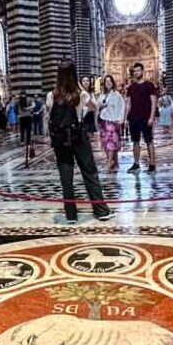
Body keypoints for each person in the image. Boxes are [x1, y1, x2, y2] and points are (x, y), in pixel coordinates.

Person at [47, 60, 114, 224]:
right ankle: (101, 210)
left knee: (66, 176)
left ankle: (71, 215)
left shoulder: (51, 95)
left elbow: (50, 116)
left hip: (60, 140)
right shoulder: (81, 94)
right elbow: (94, 107)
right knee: (89, 172)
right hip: (78, 137)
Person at [125, 62, 158, 172]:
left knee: (149, 141)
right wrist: (125, 118)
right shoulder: (131, 87)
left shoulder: (149, 85)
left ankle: (152, 164)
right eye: (134, 71)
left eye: (138, 70)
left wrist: (152, 117)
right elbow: (128, 104)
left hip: (145, 117)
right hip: (134, 118)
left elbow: (153, 102)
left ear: (142, 71)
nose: (136, 72)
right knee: (135, 141)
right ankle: (136, 163)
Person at [97, 74, 125, 170]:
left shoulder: (116, 94)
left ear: (112, 83)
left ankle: (109, 162)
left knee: (111, 141)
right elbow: (98, 106)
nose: (108, 83)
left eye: (110, 81)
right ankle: (115, 161)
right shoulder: (102, 95)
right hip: (103, 121)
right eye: (106, 81)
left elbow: (122, 106)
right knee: (106, 141)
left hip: (113, 120)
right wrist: (100, 106)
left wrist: (121, 119)